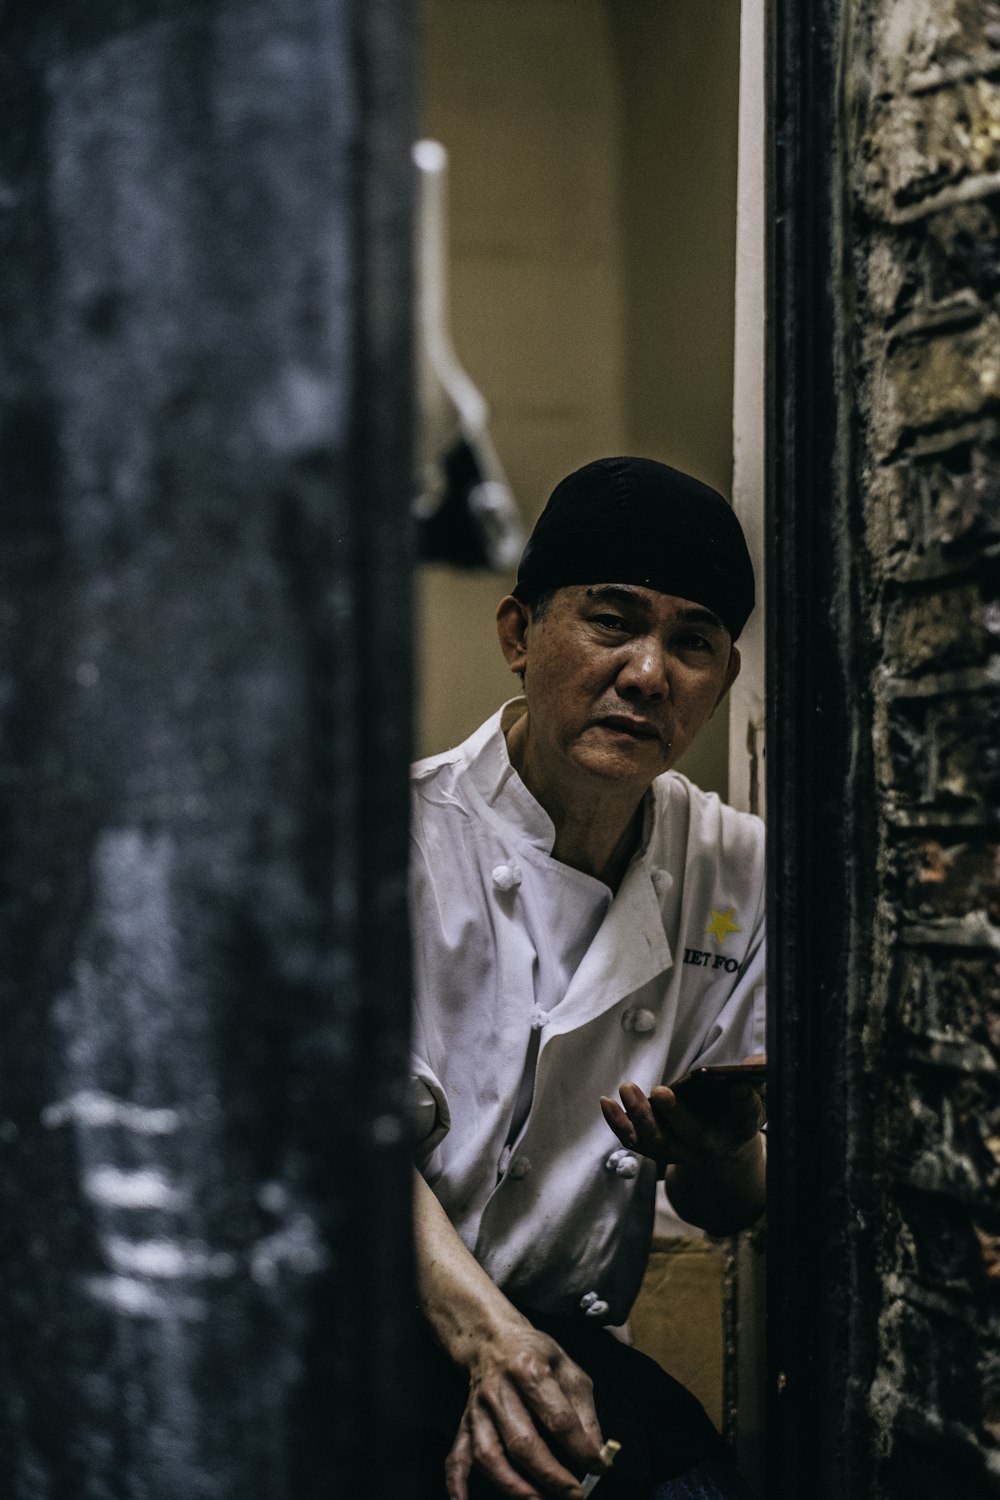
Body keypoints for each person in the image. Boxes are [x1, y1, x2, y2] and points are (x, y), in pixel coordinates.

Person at [409, 457, 766, 1500]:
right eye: (611, 623)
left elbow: (727, 1206)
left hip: (560, 1336)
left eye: (691, 642)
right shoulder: (379, 842)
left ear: (722, 681)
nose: (650, 673)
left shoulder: (736, 872)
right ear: (517, 635)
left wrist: (722, 1149)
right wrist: (491, 1345)